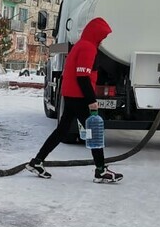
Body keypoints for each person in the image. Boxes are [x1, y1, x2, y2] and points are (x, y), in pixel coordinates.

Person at [27, 17, 123, 183]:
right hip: (78, 96)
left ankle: (36, 162)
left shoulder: (82, 44)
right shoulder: (87, 47)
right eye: (103, 36)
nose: (103, 39)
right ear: (96, 34)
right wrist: (91, 100)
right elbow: (82, 76)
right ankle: (100, 171)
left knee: (62, 130)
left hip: (71, 94)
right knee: (94, 132)